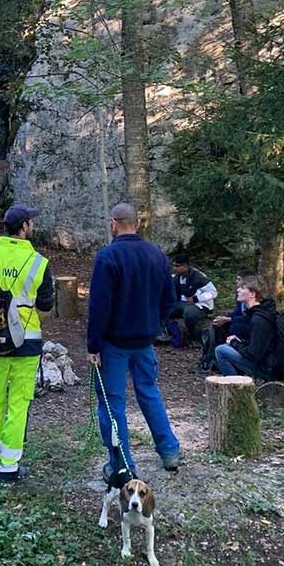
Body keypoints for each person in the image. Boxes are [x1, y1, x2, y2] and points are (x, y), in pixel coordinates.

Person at [87, 202, 180, 477]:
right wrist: (153, 325)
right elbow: (169, 301)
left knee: (112, 402)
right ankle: (169, 450)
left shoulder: (108, 257)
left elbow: (99, 307)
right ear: (137, 224)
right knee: (149, 393)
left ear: (113, 223)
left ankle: (122, 465)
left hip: (114, 344)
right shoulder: (157, 255)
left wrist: (93, 345)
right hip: (144, 342)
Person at [0, 203, 53, 483]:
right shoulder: (39, 263)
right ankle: (8, 467)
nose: (33, 226)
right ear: (25, 227)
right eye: (31, 222)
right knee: (18, 404)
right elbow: (46, 304)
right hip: (27, 344)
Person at [214, 278, 278, 379]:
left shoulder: (259, 319)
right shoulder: (256, 312)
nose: (238, 290)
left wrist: (235, 343)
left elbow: (254, 354)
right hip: (265, 362)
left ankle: (236, 388)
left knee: (221, 350)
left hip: (266, 368)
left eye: (242, 288)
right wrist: (239, 341)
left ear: (252, 294)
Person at [199, 274, 252, 372]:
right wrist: (225, 317)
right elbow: (237, 312)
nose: (236, 281)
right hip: (240, 321)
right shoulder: (239, 295)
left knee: (232, 327)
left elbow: (249, 318)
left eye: (239, 279)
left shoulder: (251, 297)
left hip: (247, 326)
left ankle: (224, 357)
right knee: (217, 325)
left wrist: (229, 319)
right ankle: (211, 359)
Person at [166, 253, 218, 346]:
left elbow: (213, 292)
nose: (174, 268)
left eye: (177, 266)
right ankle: (171, 334)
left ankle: (194, 338)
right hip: (181, 302)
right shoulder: (177, 277)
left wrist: (196, 298)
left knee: (189, 315)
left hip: (199, 304)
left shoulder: (199, 276)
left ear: (185, 266)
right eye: (174, 266)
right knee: (164, 309)